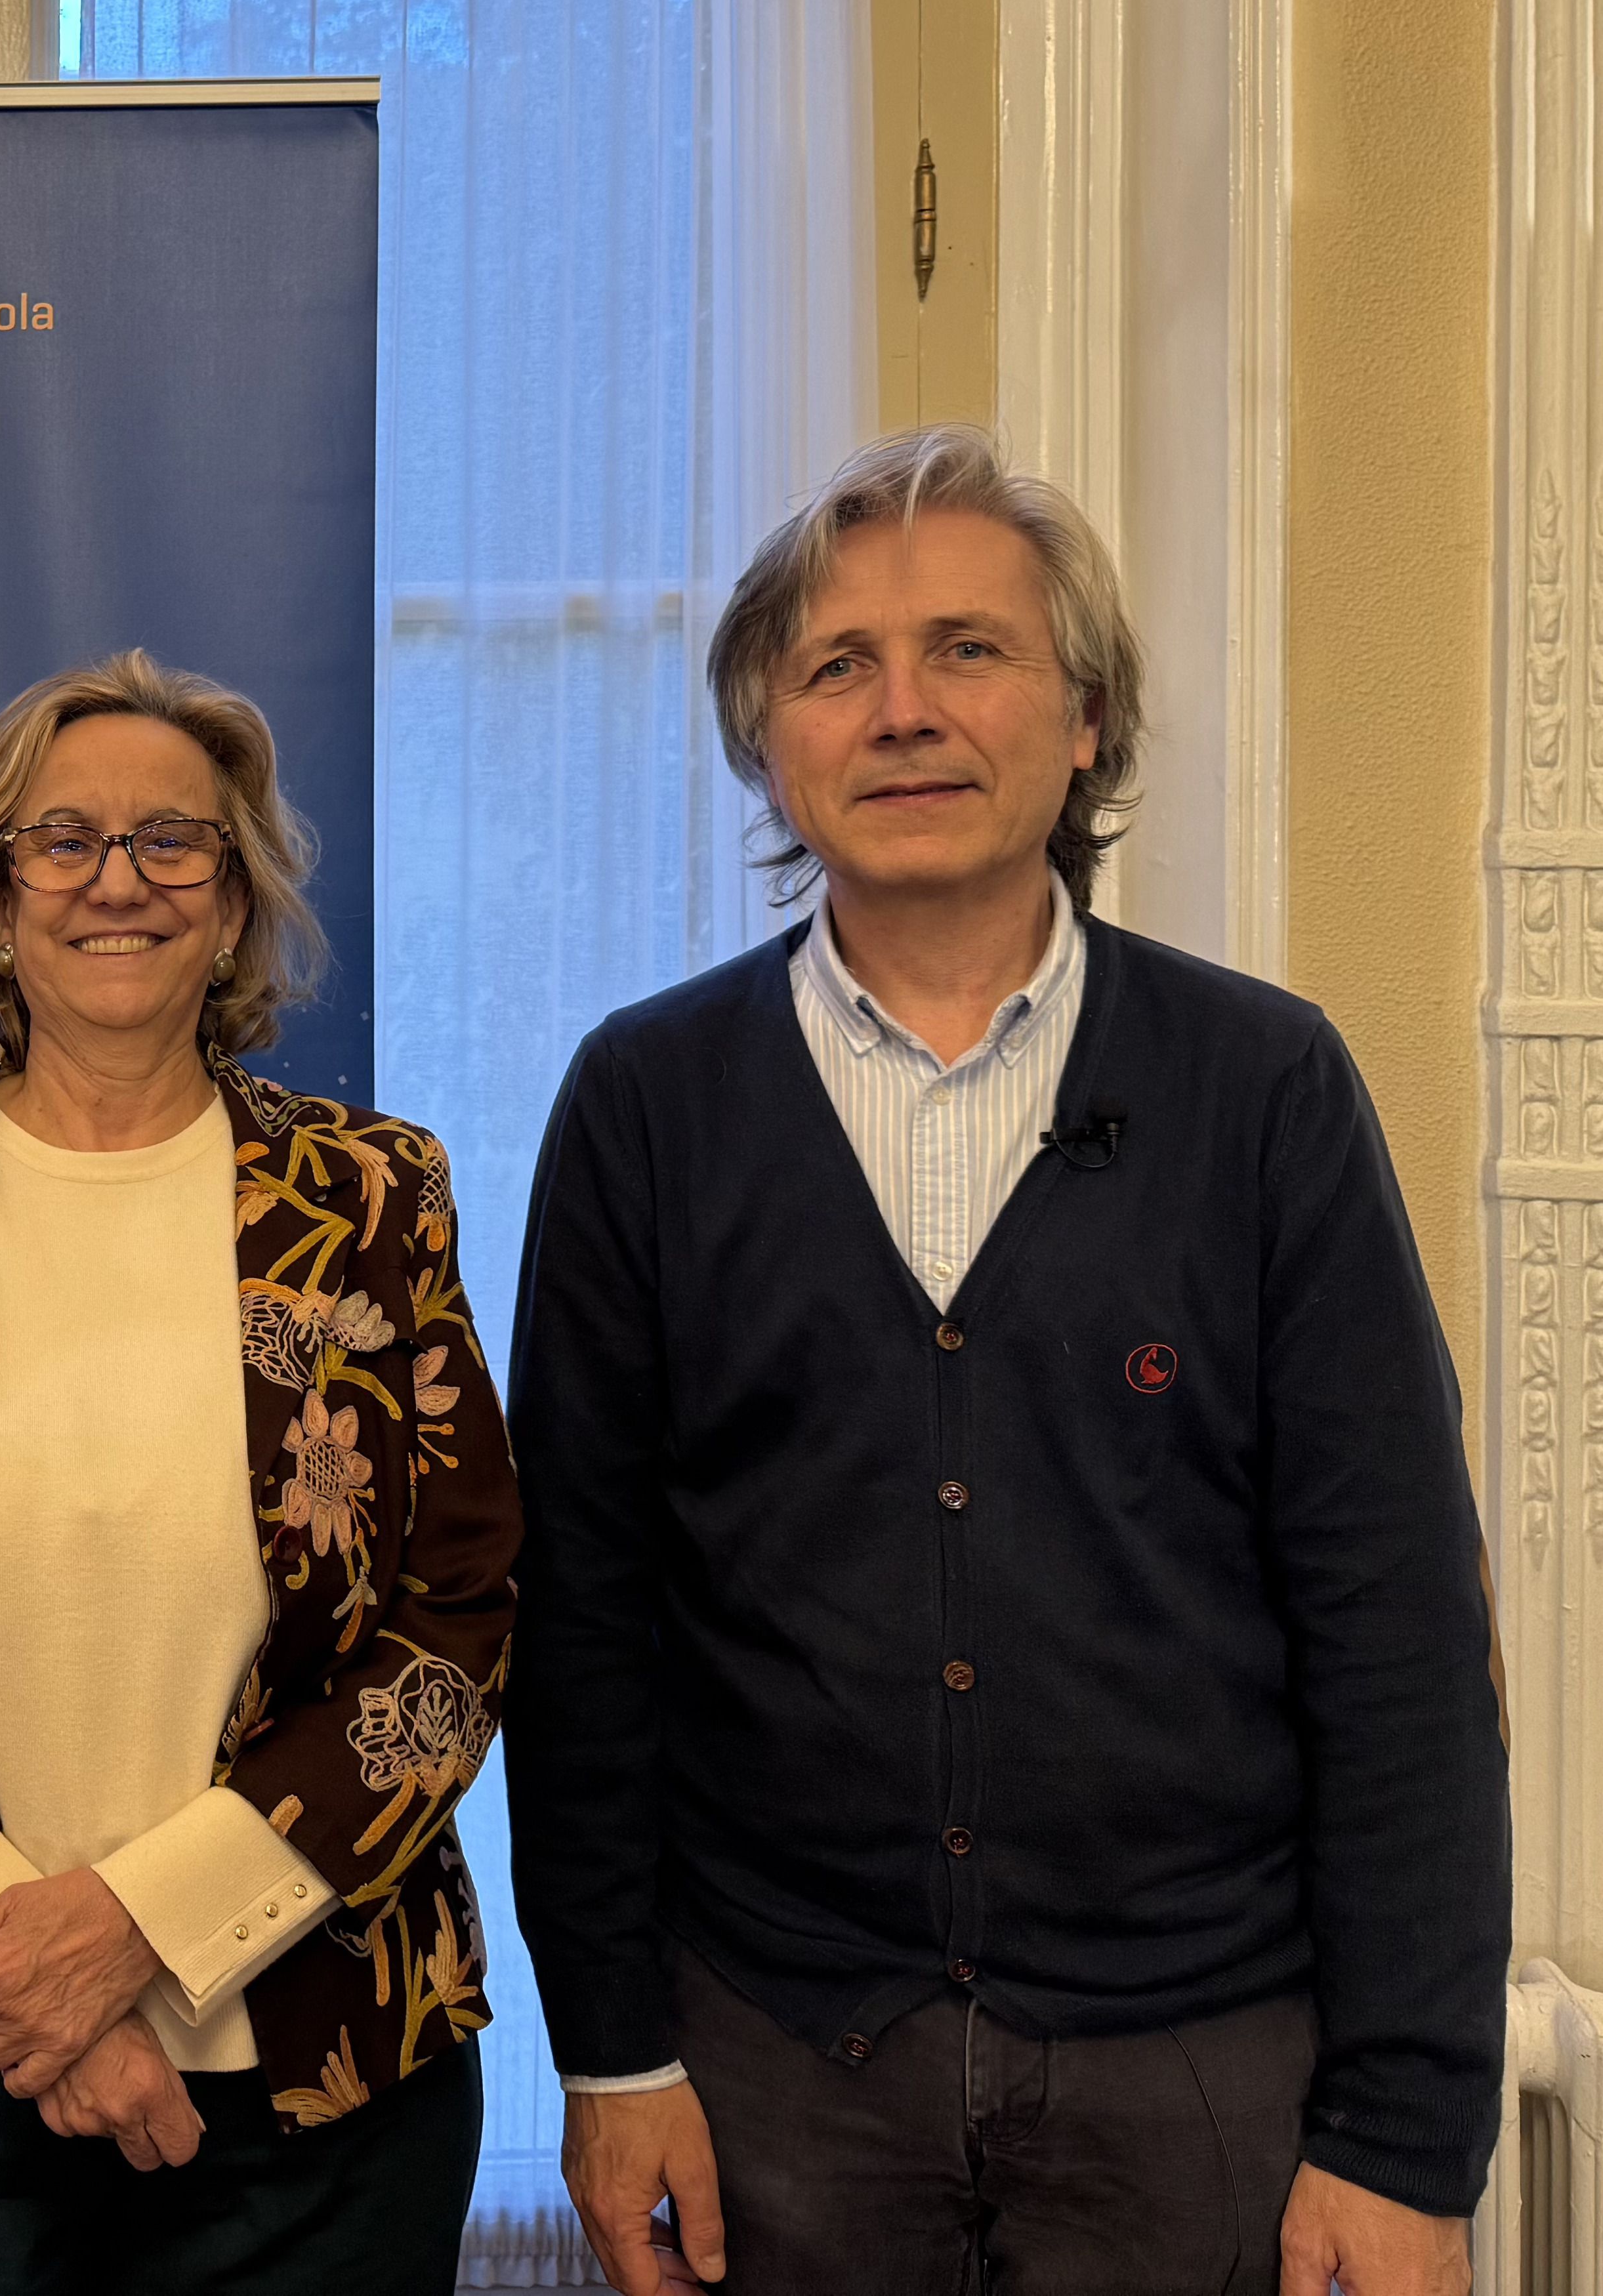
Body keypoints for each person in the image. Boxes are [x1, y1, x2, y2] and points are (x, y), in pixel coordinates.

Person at [505, 423, 1508, 2296]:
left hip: (1204, 2071)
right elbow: (579, 1625)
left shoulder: (1266, 1089)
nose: (904, 710)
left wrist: (1403, 2127)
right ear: (767, 743)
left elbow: (1397, 1634)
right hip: (774, 2069)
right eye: (838, 665)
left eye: (968, 648)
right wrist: (614, 2051)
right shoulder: (648, 1101)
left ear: (1084, 718)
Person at [0, 652, 522, 2293]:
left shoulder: (374, 1196)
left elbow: (455, 1622)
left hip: (322, 2073)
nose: (117, 879)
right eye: (63, 840)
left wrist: (141, 1931)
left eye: (173, 841)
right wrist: (43, 1991)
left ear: (232, 907)